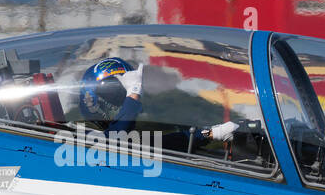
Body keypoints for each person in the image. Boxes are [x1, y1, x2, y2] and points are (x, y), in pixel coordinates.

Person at [78, 57, 239, 152]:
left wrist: (211, 133)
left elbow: (172, 142)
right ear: (90, 99)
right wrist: (133, 92)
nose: (123, 103)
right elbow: (112, 141)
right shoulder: (77, 139)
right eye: (115, 95)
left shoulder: (129, 140)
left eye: (124, 96)